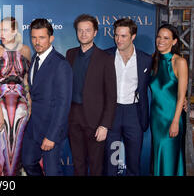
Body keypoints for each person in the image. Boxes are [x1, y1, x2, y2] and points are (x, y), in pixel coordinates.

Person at [66, 14, 116, 176]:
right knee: (78, 164)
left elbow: (111, 96)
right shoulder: (70, 54)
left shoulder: (106, 59)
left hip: (96, 121)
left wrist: (105, 125)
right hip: (73, 118)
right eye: (80, 30)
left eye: (87, 30)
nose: (83, 34)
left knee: (96, 167)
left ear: (95, 32)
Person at [22, 18, 73, 176]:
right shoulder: (34, 60)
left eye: (42, 37)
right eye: (34, 37)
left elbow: (63, 105)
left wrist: (51, 136)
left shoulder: (61, 64)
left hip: (52, 128)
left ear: (51, 38)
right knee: (28, 162)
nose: (37, 42)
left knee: (52, 171)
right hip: (33, 127)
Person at [104, 18, 152, 176]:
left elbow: (159, 84)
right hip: (113, 113)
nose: (118, 39)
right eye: (116, 35)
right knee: (112, 161)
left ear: (133, 36)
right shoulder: (107, 56)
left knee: (133, 162)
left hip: (134, 114)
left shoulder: (146, 59)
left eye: (123, 36)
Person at [0, 17, 31, 176]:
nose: (1, 33)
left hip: (21, 108)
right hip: (1, 107)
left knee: (18, 149)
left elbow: (26, 80)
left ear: (15, 31)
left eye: (4, 30)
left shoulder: (25, 50)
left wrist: (29, 104)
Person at [150, 24, 187, 176]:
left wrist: (175, 122)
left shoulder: (180, 62)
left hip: (172, 118)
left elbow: (181, 96)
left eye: (166, 38)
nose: (161, 41)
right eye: (159, 37)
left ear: (174, 41)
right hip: (156, 118)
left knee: (170, 158)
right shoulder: (153, 59)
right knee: (158, 155)